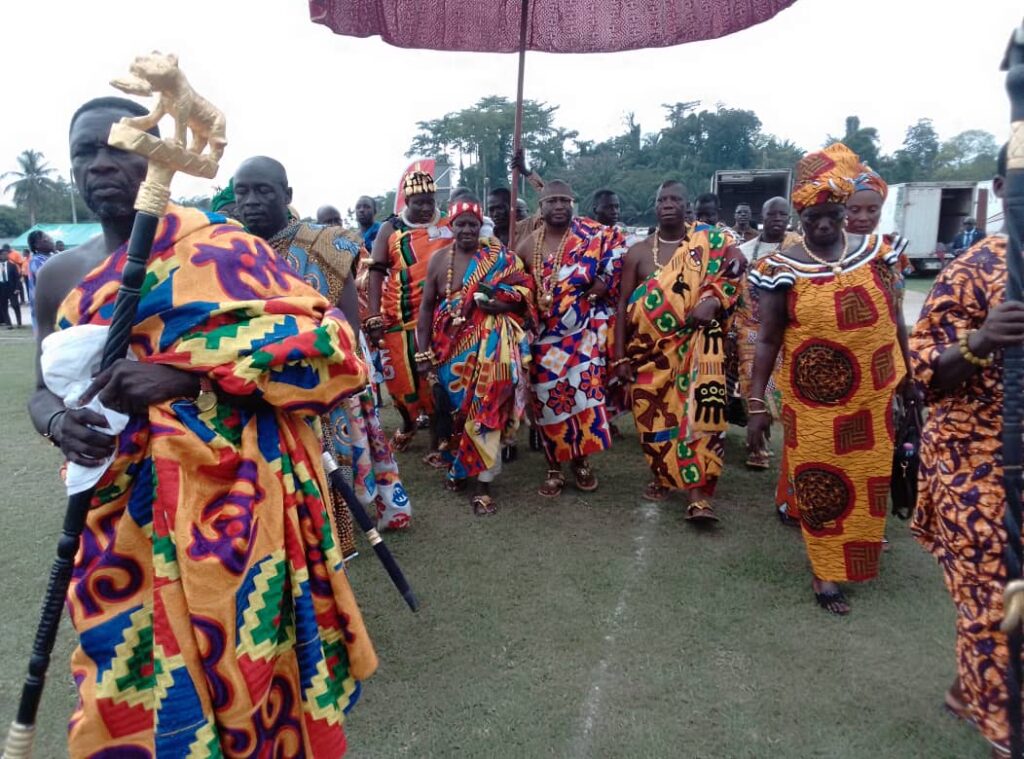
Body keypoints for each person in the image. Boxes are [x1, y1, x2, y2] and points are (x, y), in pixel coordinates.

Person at [27, 96, 375, 756]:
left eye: (120, 146)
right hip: (115, 518)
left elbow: (334, 349)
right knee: (121, 677)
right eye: (84, 153)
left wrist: (187, 377)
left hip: (228, 516)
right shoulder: (60, 278)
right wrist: (58, 423)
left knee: (243, 672)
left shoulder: (221, 250)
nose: (100, 163)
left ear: (157, 157)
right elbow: (39, 392)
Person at [747, 143, 912, 616]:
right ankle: (825, 575)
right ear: (802, 217)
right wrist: (757, 402)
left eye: (832, 214)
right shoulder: (780, 269)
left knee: (868, 479)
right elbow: (767, 340)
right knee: (823, 482)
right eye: (814, 216)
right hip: (815, 406)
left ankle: (859, 550)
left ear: (844, 213)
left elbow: (897, 318)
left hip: (873, 399)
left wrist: (908, 378)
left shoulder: (881, 254)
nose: (823, 223)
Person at [234, 156, 413, 552]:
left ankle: (334, 548)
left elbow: (347, 328)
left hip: (319, 387)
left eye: (263, 190)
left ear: (287, 195)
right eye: (241, 191)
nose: (250, 201)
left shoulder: (327, 245)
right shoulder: (225, 249)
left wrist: (310, 372)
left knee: (328, 476)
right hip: (247, 393)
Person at [909, 146, 1016, 756]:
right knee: (997, 600)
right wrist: (980, 342)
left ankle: (964, 688)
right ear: (1002, 189)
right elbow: (926, 373)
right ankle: (1005, 732)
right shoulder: (973, 270)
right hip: (978, 460)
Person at [613, 180, 744, 518]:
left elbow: (736, 264)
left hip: (699, 350)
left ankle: (698, 494)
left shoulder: (709, 242)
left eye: (676, 199)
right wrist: (620, 356)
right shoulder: (638, 252)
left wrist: (716, 294)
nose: (668, 204)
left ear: (687, 207)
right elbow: (622, 306)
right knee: (654, 426)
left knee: (699, 418)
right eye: (662, 199)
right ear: (655, 206)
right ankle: (663, 475)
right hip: (648, 357)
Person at [415, 198, 533, 515]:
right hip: (448, 351)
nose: (467, 229)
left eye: (472, 223)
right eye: (460, 223)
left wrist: (501, 306)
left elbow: (524, 291)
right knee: (457, 416)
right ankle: (459, 469)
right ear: (450, 226)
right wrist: (421, 351)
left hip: (493, 350)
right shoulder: (439, 260)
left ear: (480, 225)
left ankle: (483, 485)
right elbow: (426, 308)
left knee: (485, 414)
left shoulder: (499, 257)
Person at [517, 180, 627, 496]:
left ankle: (581, 462)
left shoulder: (591, 235)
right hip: (543, 339)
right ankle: (554, 466)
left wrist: (604, 281)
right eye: (552, 201)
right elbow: (517, 286)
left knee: (583, 399)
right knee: (548, 404)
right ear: (542, 208)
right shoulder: (527, 245)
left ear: (573, 204)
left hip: (581, 336)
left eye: (565, 200)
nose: (559, 206)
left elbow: (620, 250)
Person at [366, 170, 449, 454]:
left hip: (438, 317)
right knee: (401, 381)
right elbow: (376, 271)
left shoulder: (448, 223)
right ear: (407, 201)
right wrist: (373, 315)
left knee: (434, 379)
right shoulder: (391, 229)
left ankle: (439, 437)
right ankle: (409, 422)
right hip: (397, 317)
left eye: (430, 201)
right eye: (419, 202)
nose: (426, 208)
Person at [735, 197, 800, 473]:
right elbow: (738, 291)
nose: (777, 219)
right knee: (753, 382)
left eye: (782, 214)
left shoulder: (800, 249)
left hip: (790, 329)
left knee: (782, 386)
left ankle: (771, 436)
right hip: (752, 328)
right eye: (771, 214)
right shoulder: (747, 250)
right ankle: (757, 445)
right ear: (762, 216)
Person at [846, 165, 913, 308]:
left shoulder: (892, 248)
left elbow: (897, 307)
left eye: (872, 210)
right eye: (854, 210)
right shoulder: (826, 251)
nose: (863, 217)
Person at [27, 229, 55, 315]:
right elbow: (47, 282)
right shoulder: (37, 261)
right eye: (45, 239)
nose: (50, 240)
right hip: (45, 307)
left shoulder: (53, 256)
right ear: (37, 245)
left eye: (50, 238)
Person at [0, 245, 21, 329]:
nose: (6, 256)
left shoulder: (12, 265)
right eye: (4, 254)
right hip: (1, 287)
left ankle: (19, 322)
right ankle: (9, 324)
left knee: (15, 305)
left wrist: (17, 288)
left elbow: (17, 278)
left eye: (6, 254)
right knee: (3, 306)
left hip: (11, 287)